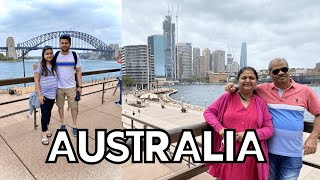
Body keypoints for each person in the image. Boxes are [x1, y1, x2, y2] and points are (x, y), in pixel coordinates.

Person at [225, 58, 320, 180]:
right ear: (270, 74)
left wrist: (313, 137)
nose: (280, 73)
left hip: (293, 153)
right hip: (268, 152)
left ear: (288, 70)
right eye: (276, 71)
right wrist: (232, 87)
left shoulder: (305, 91)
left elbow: (318, 113)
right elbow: (246, 88)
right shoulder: (262, 89)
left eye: (284, 69)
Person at [204, 67, 274, 180]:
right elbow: (208, 112)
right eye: (244, 77)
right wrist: (220, 129)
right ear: (238, 80)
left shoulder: (260, 103)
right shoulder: (226, 97)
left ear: (256, 82)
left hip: (252, 156)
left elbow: (269, 129)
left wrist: (248, 135)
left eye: (251, 78)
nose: (247, 80)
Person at [34, 34, 83, 137]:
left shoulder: (75, 55)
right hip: (59, 88)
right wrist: (36, 65)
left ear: (70, 44)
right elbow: (45, 62)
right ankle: (63, 123)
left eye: (66, 43)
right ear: (59, 44)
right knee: (60, 107)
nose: (64, 45)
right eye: (62, 43)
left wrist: (80, 86)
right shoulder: (56, 55)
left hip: (71, 87)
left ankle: (74, 126)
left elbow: (78, 71)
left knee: (74, 107)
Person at [34, 46, 58, 145]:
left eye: (50, 53)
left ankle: (46, 129)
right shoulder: (39, 66)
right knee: (45, 114)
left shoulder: (54, 65)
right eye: (47, 53)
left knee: (48, 114)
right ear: (43, 55)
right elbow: (36, 80)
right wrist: (39, 95)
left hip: (53, 95)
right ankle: (44, 134)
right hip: (44, 95)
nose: (49, 55)